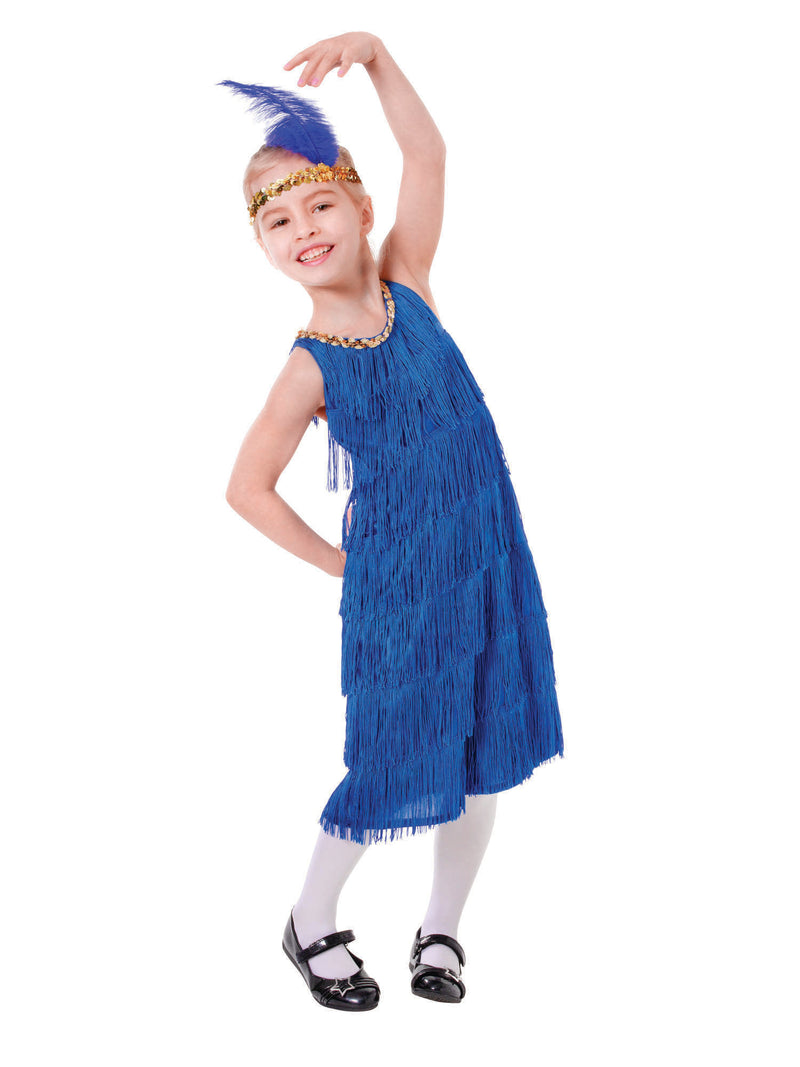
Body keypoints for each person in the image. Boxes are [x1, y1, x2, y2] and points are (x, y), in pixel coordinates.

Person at [221, 32, 565, 1011]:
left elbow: (428, 153)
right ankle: (309, 916)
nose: (303, 227)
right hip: (399, 589)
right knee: (390, 756)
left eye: (319, 203)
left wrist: (377, 60)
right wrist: (342, 564)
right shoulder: (308, 365)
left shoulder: (408, 281)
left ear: (362, 209)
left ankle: (441, 926)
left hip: (488, 559)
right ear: (263, 248)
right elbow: (247, 486)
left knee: (484, 749)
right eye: (277, 219)